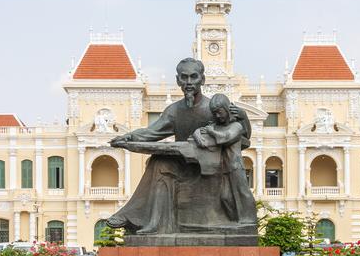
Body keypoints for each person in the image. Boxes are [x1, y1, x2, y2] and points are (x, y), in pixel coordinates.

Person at [107, 58, 252, 235]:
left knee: (160, 162)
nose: (189, 82)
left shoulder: (213, 108)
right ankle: (154, 223)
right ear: (178, 81)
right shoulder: (174, 111)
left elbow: (242, 138)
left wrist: (243, 118)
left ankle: (138, 217)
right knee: (159, 162)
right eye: (184, 78)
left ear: (202, 79)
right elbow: (152, 132)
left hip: (210, 168)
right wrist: (128, 137)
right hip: (183, 164)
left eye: (193, 77)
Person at [192, 93, 257, 225]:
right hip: (222, 167)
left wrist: (211, 132)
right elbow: (201, 130)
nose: (217, 116)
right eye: (214, 113)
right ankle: (235, 221)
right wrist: (197, 133)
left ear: (227, 110)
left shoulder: (236, 126)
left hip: (235, 166)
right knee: (225, 197)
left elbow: (225, 138)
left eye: (219, 112)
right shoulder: (217, 126)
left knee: (243, 193)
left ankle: (249, 221)